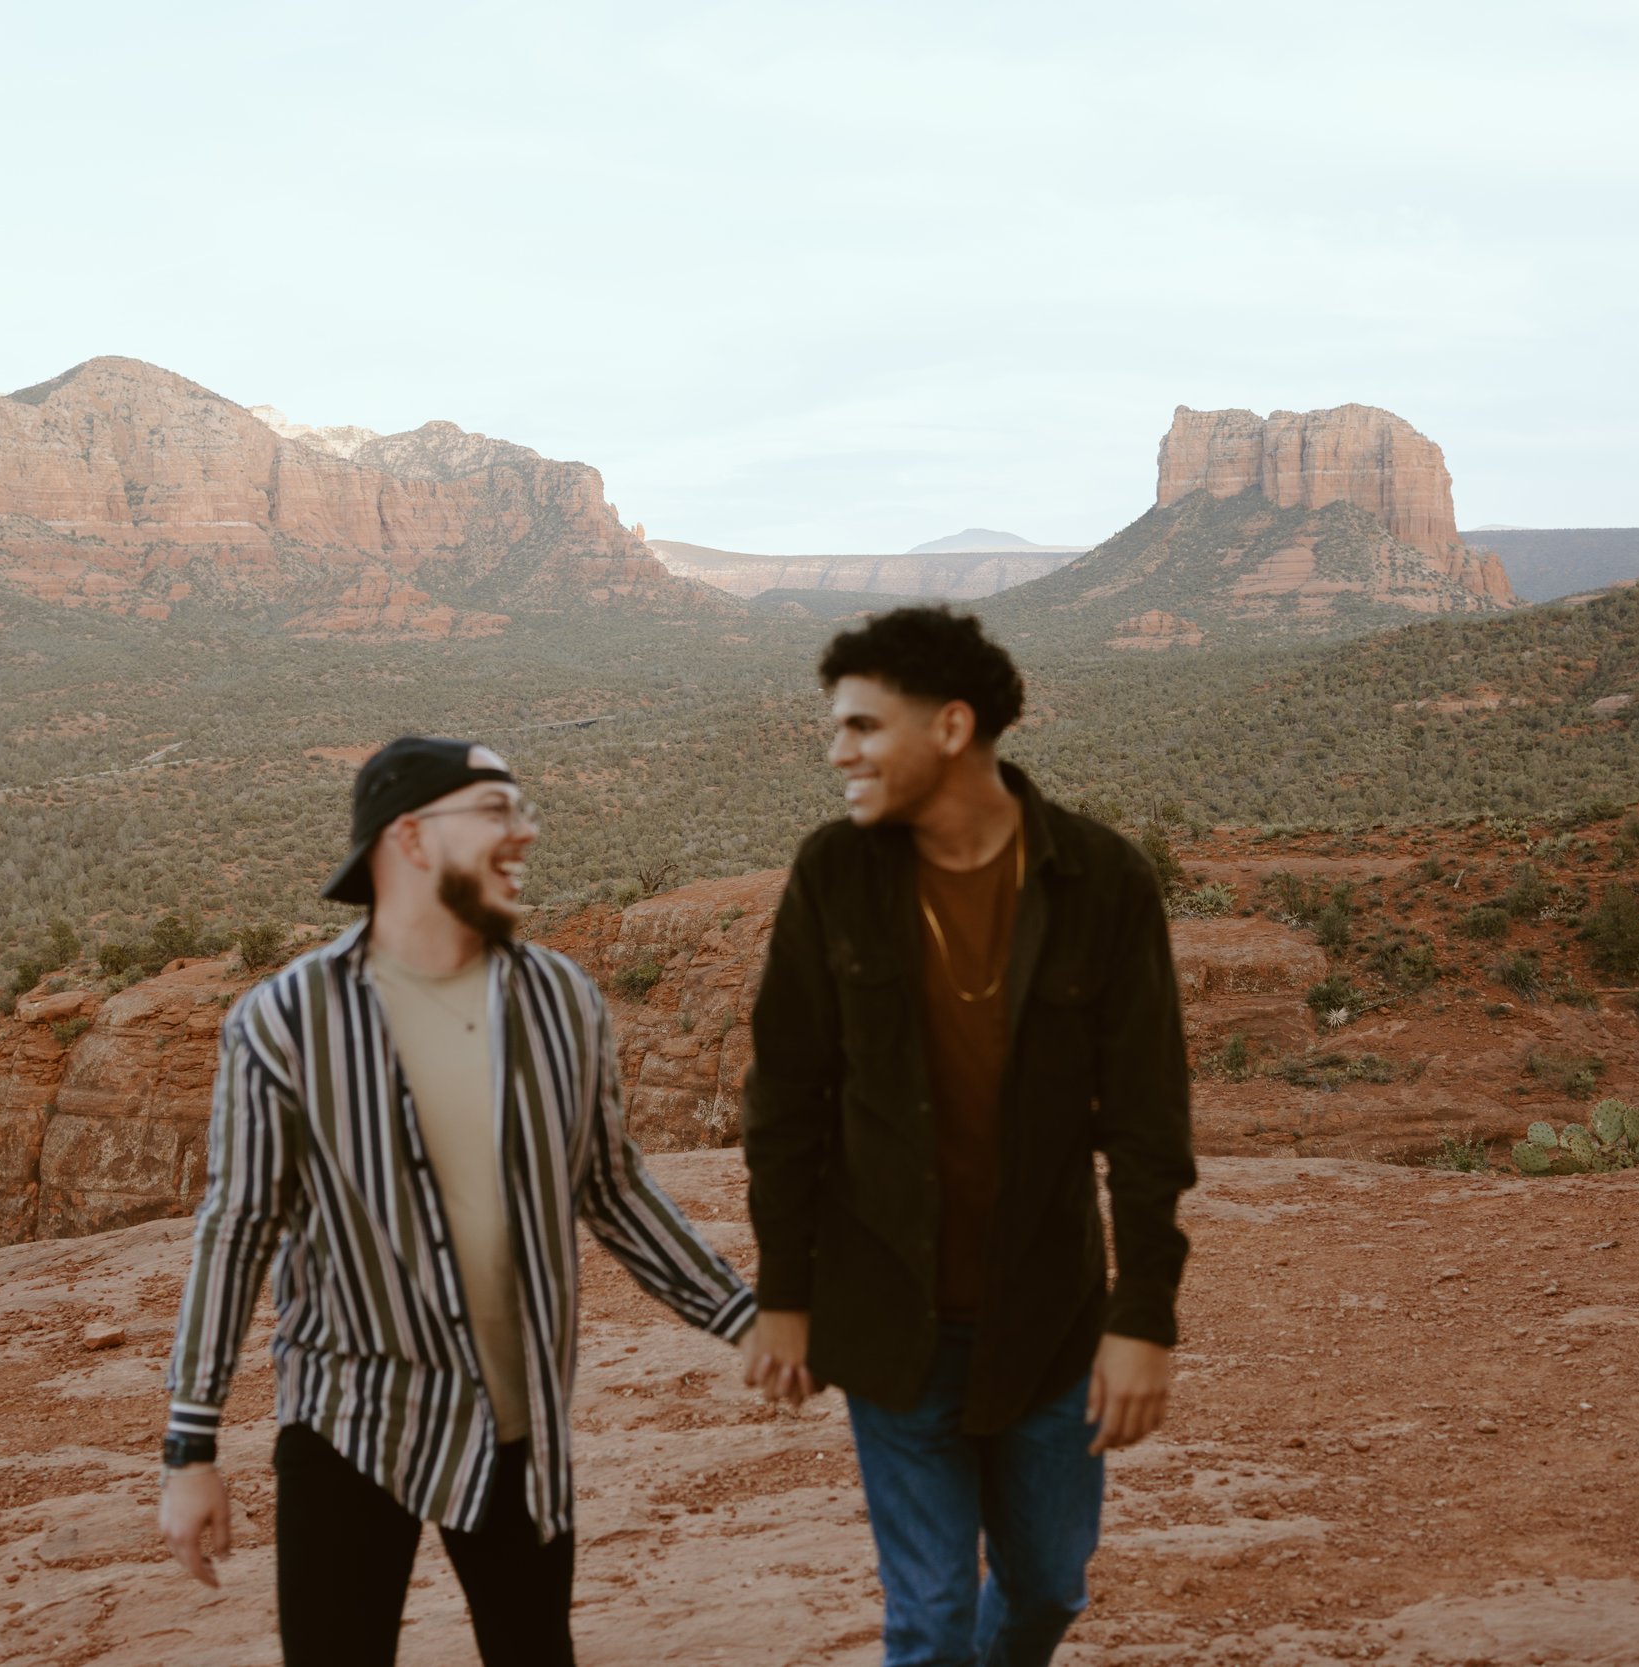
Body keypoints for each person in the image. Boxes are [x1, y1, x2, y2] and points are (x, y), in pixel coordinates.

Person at [157, 735, 761, 1665]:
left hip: (517, 1423)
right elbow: (235, 1232)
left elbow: (610, 1186)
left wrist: (741, 1316)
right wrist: (190, 1450)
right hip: (353, 1420)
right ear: (407, 838)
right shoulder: (285, 1018)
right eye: (494, 812)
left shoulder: (562, 1000)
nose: (524, 832)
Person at [740, 607, 1195, 1667]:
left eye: (861, 724)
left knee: (1046, 1587)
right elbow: (784, 1102)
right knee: (931, 1614)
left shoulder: (1103, 881)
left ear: (950, 726)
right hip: (889, 1319)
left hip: (1046, 1318)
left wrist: (1145, 1317)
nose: (837, 750)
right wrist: (785, 1296)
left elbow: (1145, 1123)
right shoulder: (833, 875)